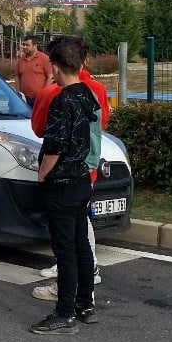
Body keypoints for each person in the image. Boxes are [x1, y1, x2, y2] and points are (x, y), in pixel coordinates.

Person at [29, 37, 109, 301]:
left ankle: (65, 308)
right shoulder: (93, 92)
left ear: (55, 66)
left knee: (65, 248)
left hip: (63, 177)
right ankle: (86, 301)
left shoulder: (58, 97)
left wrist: (43, 172)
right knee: (82, 242)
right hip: (85, 172)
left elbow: (52, 140)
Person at [16, 35, 53, 107]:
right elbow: (17, 76)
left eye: (27, 45)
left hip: (38, 98)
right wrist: (18, 93)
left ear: (35, 46)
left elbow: (50, 76)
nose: (24, 47)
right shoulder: (20, 60)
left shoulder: (44, 59)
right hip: (24, 98)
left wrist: (43, 93)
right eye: (23, 45)